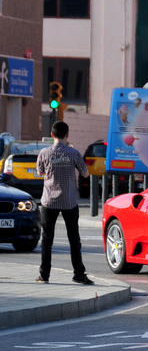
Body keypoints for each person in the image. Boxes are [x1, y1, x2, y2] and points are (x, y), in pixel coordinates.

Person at [36, 121, 93, 285]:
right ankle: (78, 274)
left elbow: (40, 171)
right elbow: (85, 174)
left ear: (52, 135)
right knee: (74, 238)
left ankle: (44, 275)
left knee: (47, 238)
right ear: (67, 135)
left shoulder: (44, 152)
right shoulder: (73, 153)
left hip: (48, 201)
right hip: (68, 200)